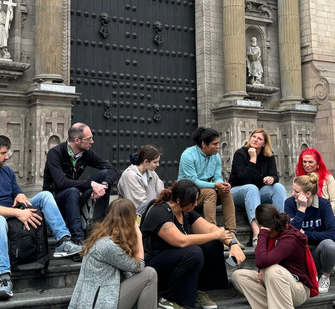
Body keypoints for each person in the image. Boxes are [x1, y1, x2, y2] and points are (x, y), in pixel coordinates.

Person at [0, 134, 83, 300]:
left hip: (9, 217)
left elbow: (16, 191)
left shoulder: (6, 172)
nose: (7, 157)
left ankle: (63, 241)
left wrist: (20, 196)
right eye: (3, 153)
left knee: (45, 195)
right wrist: (19, 212)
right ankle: (3, 278)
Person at [141, 180, 245, 309]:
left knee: (213, 244)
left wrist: (232, 244)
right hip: (154, 264)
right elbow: (181, 240)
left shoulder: (186, 211)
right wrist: (216, 235)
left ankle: (199, 290)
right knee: (194, 252)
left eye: (197, 200)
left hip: (178, 262)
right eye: (193, 201)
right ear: (179, 200)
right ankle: (169, 298)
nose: (196, 204)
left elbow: (211, 229)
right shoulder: (160, 211)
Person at [69, 198, 158, 309]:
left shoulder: (106, 238)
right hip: (100, 303)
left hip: (104, 295)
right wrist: (138, 235)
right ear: (128, 219)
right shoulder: (107, 245)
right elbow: (138, 266)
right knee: (149, 274)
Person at [43, 122, 120, 243]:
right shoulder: (55, 153)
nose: (92, 141)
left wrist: (103, 186)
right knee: (72, 191)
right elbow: (61, 183)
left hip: (75, 197)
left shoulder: (85, 154)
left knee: (105, 175)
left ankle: (99, 229)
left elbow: (112, 170)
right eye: (89, 139)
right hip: (54, 199)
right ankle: (77, 240)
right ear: (77, 140)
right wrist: (91, 184)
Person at [231, 204, 317, 309]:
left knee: (272, 270)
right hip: (276, 282)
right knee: (239, 276)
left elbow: (262, 261)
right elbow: (262, 262)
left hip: (298, 287)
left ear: (260, 224)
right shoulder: (270, 235)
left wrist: (262, 233)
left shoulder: (289, 239)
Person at [178, 127, 238, 243]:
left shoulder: (215, 156)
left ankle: (231, 232)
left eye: (218, 143)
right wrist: (215, 185)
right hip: (189, 193)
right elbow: (193, 181)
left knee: (226, 193)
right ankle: (214, 233)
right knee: (210, 193)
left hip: (208, 191)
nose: (218, 146)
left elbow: (217, 176)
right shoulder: (188, 155)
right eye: (215, 144)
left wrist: (222, 184)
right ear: (204, 144)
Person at [228, 129, 286, 247]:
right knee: (251, 188)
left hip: (257, 193)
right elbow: (244, 179)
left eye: (259, 138)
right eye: (253, 137)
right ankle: (257, 233)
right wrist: (253, 158)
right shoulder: (240, 153)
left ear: (264, 143)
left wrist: (272, 179)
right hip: (236, 192)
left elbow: (275, 174)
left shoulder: (268, 156)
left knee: (278, 187)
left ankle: (280, 228)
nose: (255, 139)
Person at [284, 173, 335, 294]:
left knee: (329, 245)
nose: (293, 194)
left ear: (307, 194)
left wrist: (306, 234)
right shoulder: (290, 203)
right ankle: (307, 274)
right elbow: (291, 233)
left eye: (296, 191)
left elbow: (333, 234)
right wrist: (302, 209)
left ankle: (325, 277)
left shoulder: (323, 204)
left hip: (316, 252)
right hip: (299, 254)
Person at [295, 147, 335, 264]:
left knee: (333, 225)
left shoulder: (328, 178)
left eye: (310, 162)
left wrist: (325, 213)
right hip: (307, 213)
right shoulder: (298, 179)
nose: (307, 165)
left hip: (328, 213)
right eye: (304, 162)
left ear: (318, 164)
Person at [118, 145, 165, 214]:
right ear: (146, 162)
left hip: (151, 213)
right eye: (155, 162)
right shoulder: (130, 176)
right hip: (132, 218)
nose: (158, 165)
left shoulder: (151, 173)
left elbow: (161, 192)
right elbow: (139, 206)